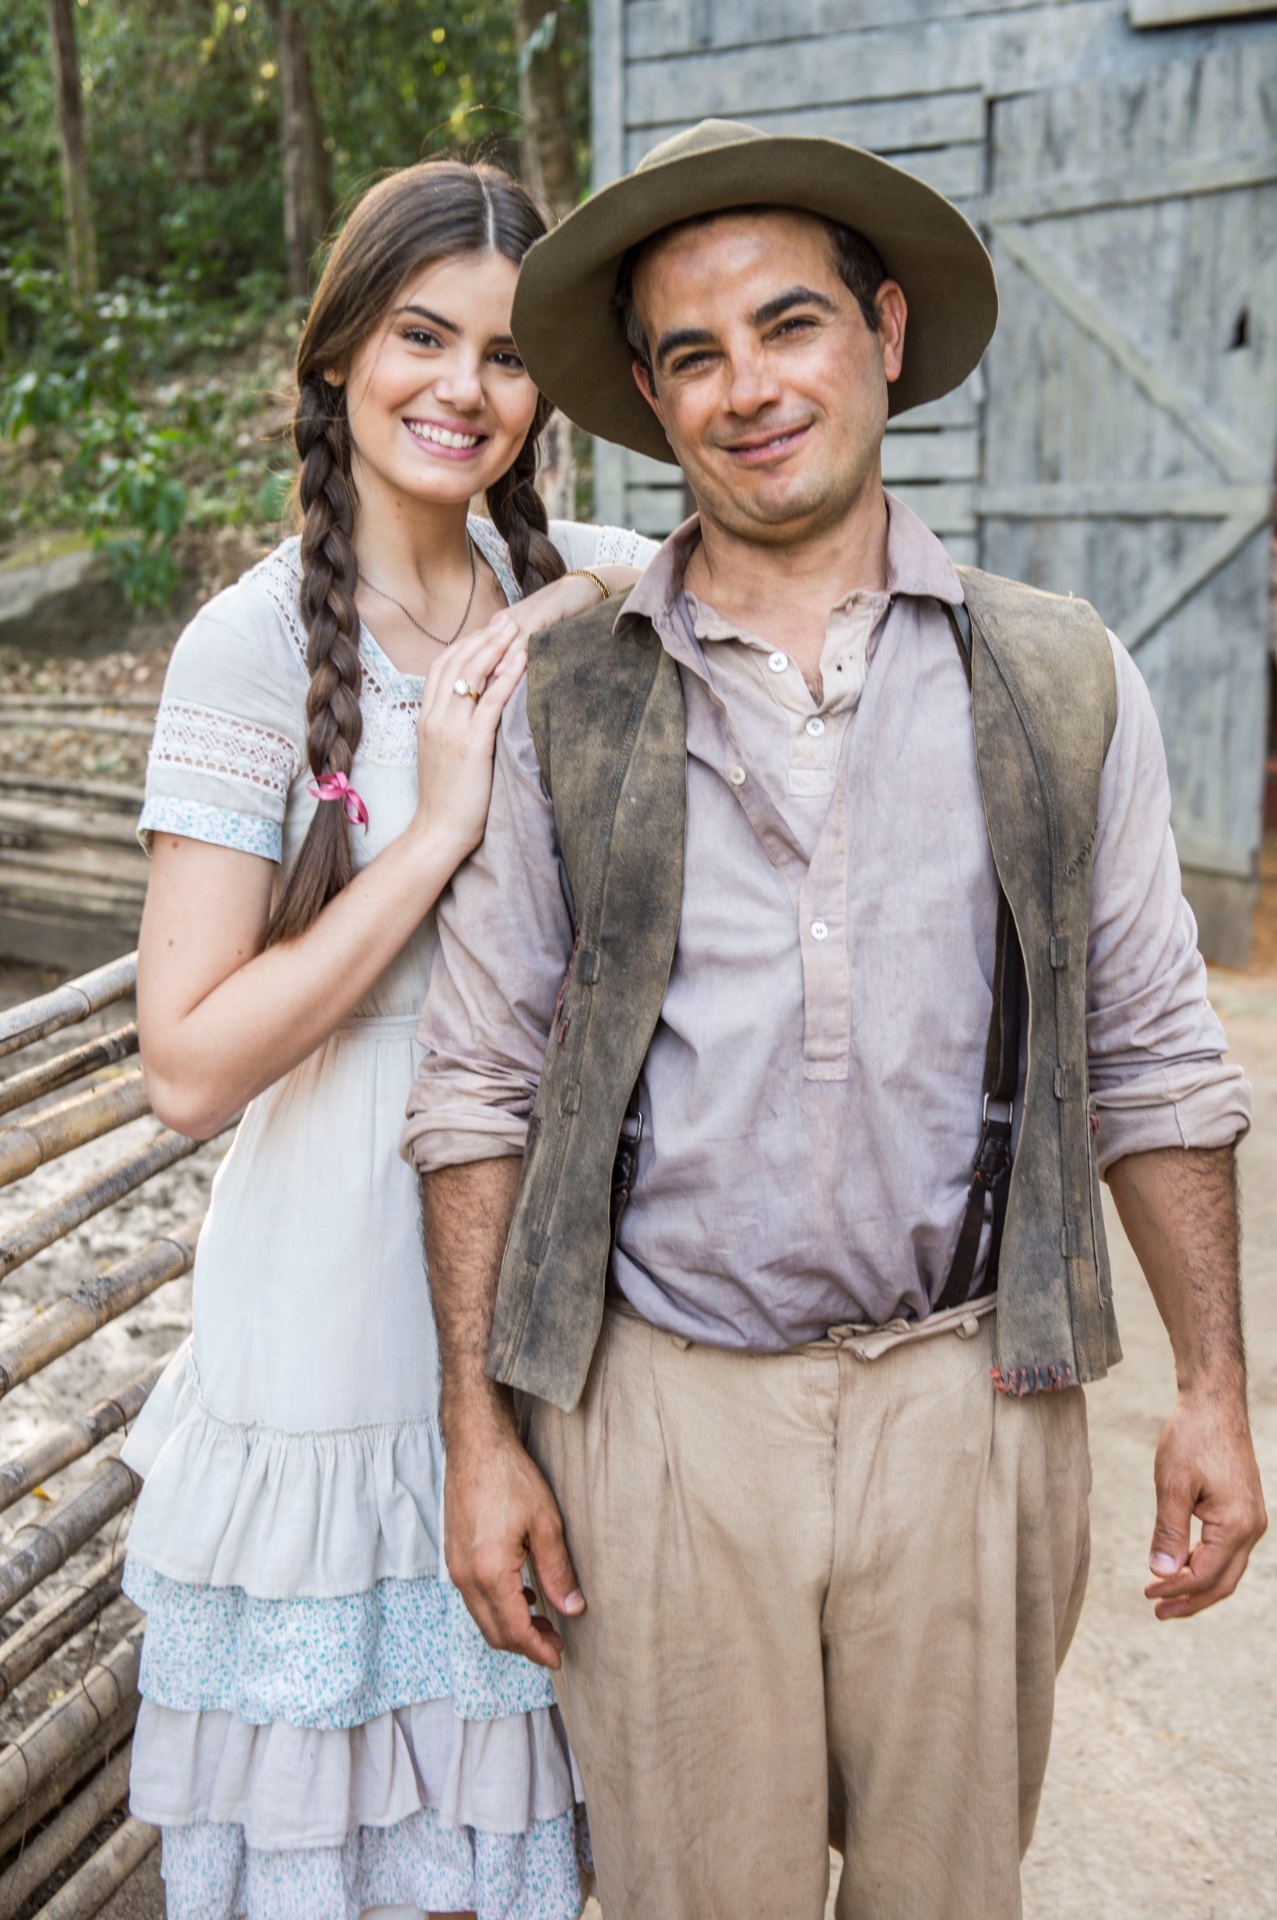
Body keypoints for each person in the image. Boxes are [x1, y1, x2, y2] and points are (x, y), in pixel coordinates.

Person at [403, 121, 1268, 1920]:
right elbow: (478, 1086)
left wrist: (1211, 1390)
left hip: (971, 1406)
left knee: (946, 1893)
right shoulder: (567, 696)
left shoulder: (1056, 673)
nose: (748, 390)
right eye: (693, 355)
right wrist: (483, 1441)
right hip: (660, 1418)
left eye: (788, 325)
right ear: (651, 398)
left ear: (882, 331)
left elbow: (1153, 1055)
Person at [121, 156, 655, 1920]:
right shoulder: (249, 647)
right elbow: (186, 1065)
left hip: (561, 1267)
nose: (463, 388)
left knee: (528, 1832)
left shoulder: (590, 584)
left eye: (507, 354)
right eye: (423, 336)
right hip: (338, 1299)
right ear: (340, 348)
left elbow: (767, 555)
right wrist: (429, 833)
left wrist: (562, 607)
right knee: (362, 1848)